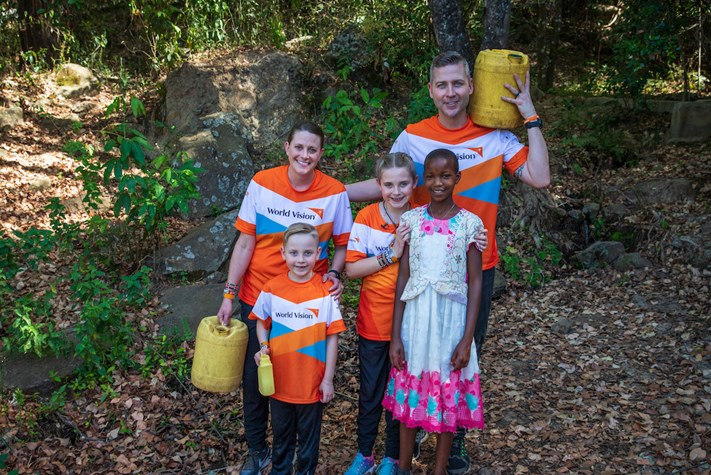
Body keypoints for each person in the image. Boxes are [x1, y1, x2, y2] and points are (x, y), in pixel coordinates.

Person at [346, 50, 550, 473]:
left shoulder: (493, 135)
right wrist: (328, 194)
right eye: (442, 84)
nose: (451, 92)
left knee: (462, 356)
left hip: (475, 266)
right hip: (422, 269)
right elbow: (387, 183)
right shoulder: (412, 137)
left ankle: (452, 443)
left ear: (471, 86)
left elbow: (540, 176)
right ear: (431, 90)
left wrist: (529, 116)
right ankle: (412, 432)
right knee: (416, 352)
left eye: (458, 83)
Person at [217, 121, 353, 475]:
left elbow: (344, 244)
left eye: (312, 149)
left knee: (302, 377)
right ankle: (258, 451)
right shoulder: (262, 183)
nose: (304, 155)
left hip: (307, 304)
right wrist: (229, 295)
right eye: (299, 147)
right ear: (287, 148)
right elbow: (245, 242)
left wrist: (334, 275)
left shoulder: (335, 191)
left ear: (321, 154)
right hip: (259, 297)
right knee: (256, 378)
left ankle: (298, 459)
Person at [383, 149, 485, 475]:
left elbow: (477, 282)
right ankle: (403, 468)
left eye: (445, 176)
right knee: (411, 397)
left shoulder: (470, 224)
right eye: (431, 176)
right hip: (415, 321)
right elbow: (403, 278)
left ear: (457, 178)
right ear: (422, 179)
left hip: (450, 322)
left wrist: (467, 339)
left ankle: (439, 470)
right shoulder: (411, 220)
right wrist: (395, 335)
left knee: (446, 395)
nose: (437, 182)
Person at [251, 223, 346, 475]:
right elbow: (262, 324)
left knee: (308, 444)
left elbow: (332, 338)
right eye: (294, 253)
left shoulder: (326, 291)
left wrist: (327, 380)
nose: (300, 260)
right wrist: (263, 347)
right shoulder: (272, 288)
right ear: (283, 253)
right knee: (281, 440)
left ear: (318, 254)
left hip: (311, 384)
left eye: (307, 253)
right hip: (279, 382)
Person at [344, 153, 416, 475]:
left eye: (403, 183)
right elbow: (352, 268)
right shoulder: (367, 217)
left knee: (399, 393)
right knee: (371, 391)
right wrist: (392, 254)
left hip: (411, 324)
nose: (396, 191)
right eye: (389, 184)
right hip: (373, 321)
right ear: (378, 186)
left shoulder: (422, 217)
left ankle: (392, 457)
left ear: (414, 184)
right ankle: (365, 455)